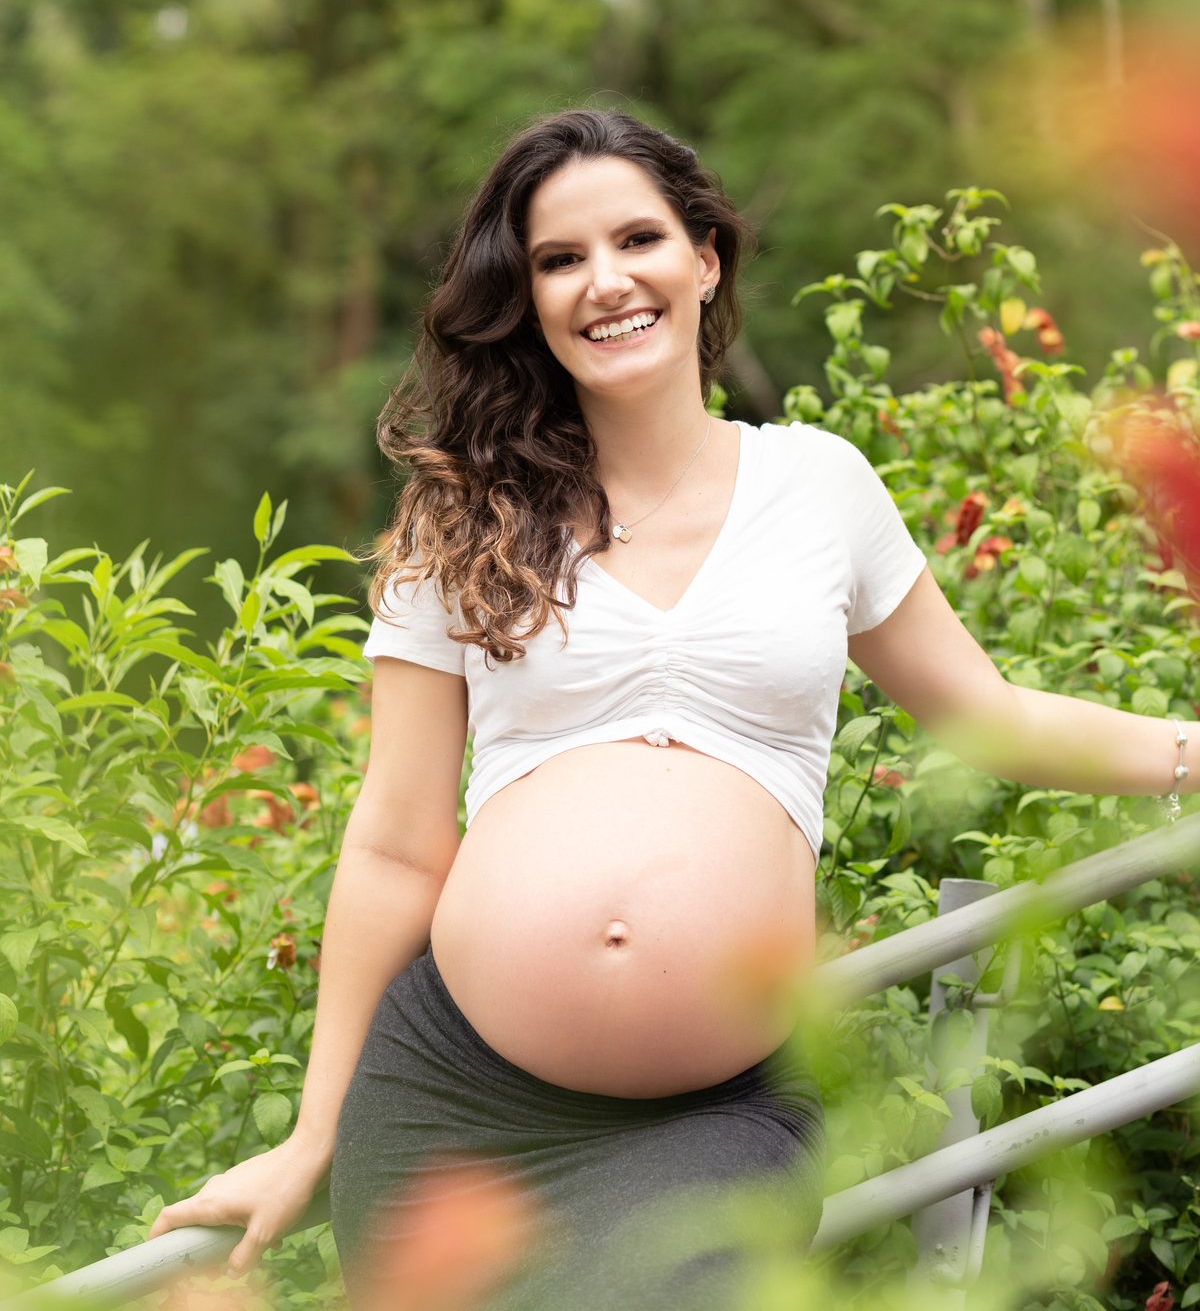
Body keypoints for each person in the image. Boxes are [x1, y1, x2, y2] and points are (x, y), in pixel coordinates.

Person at [151, 108, 1195, 1305]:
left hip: (717, 1114)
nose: (605, 281)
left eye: (637, 239)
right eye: (560, 259)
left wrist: (1192, 752)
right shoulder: (463, 519)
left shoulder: (817, 485)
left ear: (704, 258)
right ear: (528, 299)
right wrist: (313, 1130)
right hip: (450, 1102)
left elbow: (987, 718)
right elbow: (395, 846)